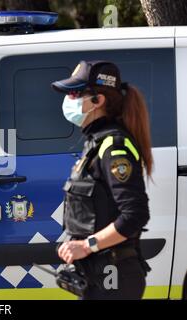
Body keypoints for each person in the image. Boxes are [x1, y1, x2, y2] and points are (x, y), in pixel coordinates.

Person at [51, 60, 152, 300]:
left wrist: (86, 246)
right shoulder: (96, 144)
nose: (69, 100)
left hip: (113, 275)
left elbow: (135, 215)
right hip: (99, 274)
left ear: (98, 100)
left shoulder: (114, 147)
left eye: (76, 93)